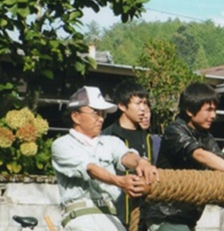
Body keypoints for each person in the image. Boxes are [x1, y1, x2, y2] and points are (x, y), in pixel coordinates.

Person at [142, 82, 224, 231]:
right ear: (190, 110)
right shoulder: (175, 131)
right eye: (209, 110)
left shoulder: (205, 136)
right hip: (165, 216)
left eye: (215, 110)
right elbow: (199, 154)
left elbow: (219, 160)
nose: (213, 116)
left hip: (187, 217)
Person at [52, 86, 158, 231]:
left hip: (110, 216)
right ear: (75, 116)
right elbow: (90, 168)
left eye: (103, 114)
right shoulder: (62, 145)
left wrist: (141, 162)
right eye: (96, 113)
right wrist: (119, 181)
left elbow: (125, 156)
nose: (101, 119)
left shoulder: (110, 142)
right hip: (81, 217)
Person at [102, 80, 160, 230]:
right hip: (113, 215)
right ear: (122, 106)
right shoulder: (107, 136)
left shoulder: (148, 139)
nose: (143, 109)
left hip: (143, 217)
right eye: (138, 103)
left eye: (145, 103)